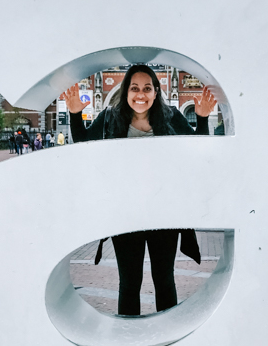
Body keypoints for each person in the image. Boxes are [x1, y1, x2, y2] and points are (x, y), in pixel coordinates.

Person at [62, 64, 216, 316]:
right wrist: (76, 115)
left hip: (164, 216)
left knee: (164, 280)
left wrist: (202, 118)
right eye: (134, 88)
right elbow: (83, 145)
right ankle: (127, 337)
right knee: (129, 283)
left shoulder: (171, 118)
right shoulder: (109, 118)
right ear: (126, 92)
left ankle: (167, 335)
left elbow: (197, 155)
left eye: (147, 88)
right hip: (124, 215)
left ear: (156, 92)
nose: (140, 94)